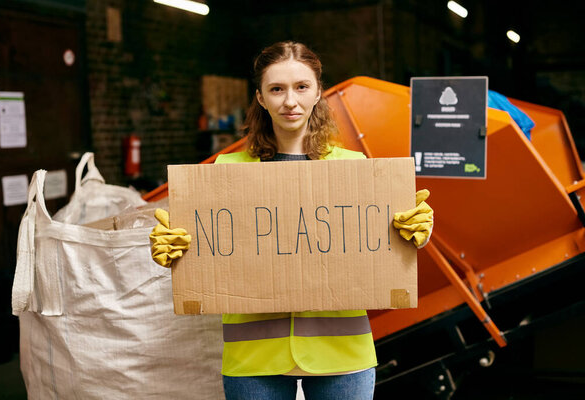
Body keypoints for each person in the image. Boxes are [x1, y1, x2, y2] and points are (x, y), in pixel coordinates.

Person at [150, 41, 433, 400]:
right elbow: (203, 252)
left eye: (301, 87)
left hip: (342, 352)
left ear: (318, 92)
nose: (289, 101)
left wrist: (415, 234)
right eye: (276, 89)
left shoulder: (355, 169)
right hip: (254, 356)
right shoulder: (225, 174)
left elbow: (381, 250)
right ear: (260, 97)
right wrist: (171, 247)